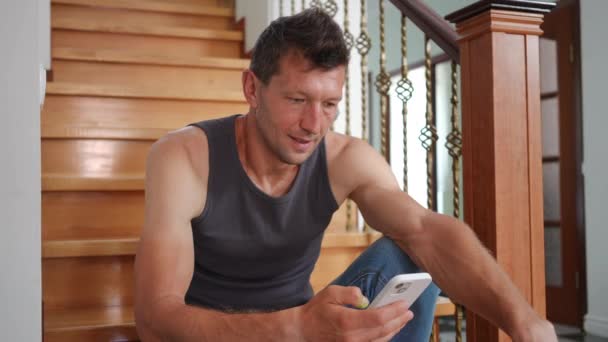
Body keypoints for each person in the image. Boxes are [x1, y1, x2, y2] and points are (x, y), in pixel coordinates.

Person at [134, 8, 558, 342]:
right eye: (297, 99)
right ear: (252, 89)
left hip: (305, 330)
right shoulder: (185, 157)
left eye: (330, 104)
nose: (313, 124)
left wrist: (523, 320)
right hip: (220, 336)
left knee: (411, 259)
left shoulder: (345, 158)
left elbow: (428, 231)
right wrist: (295, 329)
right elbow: (155, 321)